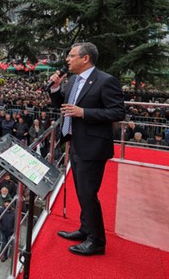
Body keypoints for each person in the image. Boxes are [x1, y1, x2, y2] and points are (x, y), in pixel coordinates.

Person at [49, 42, 125, 256]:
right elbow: (62, 106)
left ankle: (97, 241)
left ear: (85, 58)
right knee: (82, 192)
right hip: (76, 142)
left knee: (88, 193)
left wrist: (85, 113)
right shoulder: (73, 80)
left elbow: (118, 112)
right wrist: (55, 88)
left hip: (93, 146)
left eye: (71, 56)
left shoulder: (106, 81)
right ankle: (85, 229)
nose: (67, 59)